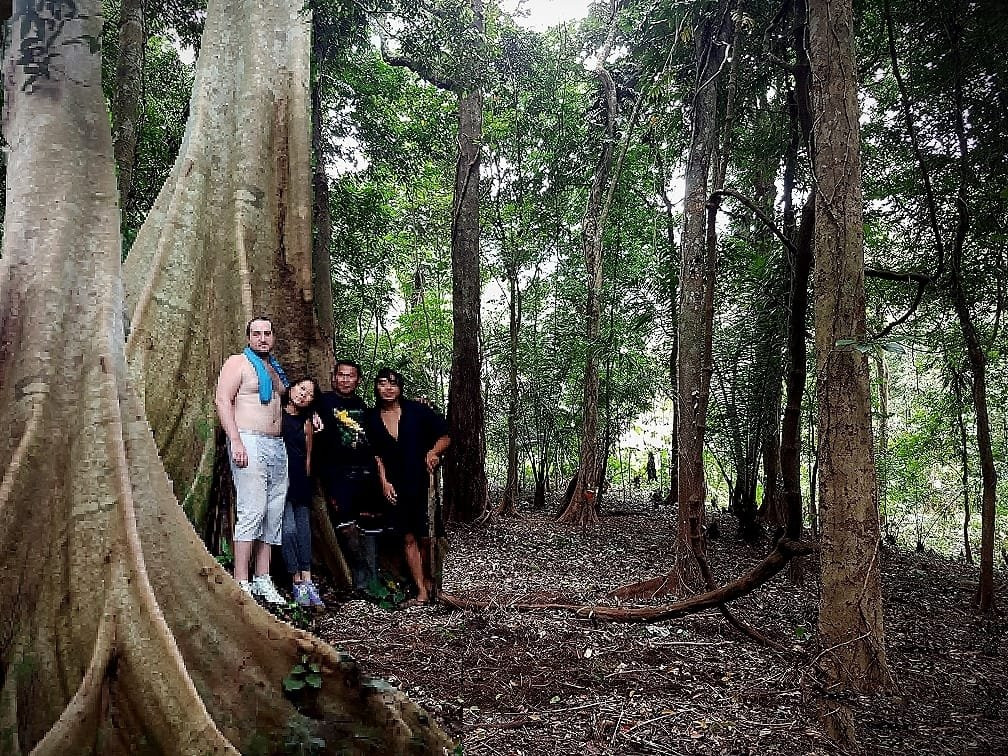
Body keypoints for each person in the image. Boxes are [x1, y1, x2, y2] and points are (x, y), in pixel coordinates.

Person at [214, 316, 288, 605]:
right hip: (250, 441)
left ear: (273, 337)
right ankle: (241, 579)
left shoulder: (275, 368)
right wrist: (235, 440)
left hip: (276, 445)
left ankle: (263, 578)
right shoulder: (238, 363)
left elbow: (286, 401)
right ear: (248, 337)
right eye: (256, 333)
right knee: (252, 511)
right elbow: (222, 400)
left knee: (273, 514)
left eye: (267, 333)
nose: (262, 338)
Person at [366, 368, 450, 606]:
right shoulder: (372, 417)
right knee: (407, 538)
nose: (388, 388)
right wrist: (383, 481)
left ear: (400, 388)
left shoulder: (418, 411)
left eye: (393, 384)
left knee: (426, 536)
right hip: (395, 486)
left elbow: (445, 436)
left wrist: (433, 452)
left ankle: (434, 585)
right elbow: (376, 455)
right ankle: (421, 591)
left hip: (422, 483)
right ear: (376, 387)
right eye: (382, 383)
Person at [314, 359, 381, 592]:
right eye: (341, 375)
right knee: (346, 527)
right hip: (337, 475)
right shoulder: (322, 402)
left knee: (369, 526)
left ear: (358, 380)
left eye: (350, 376)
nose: (345, 380)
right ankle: (358, 578)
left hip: (365, 474)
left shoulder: (362, 406)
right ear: (334, 378)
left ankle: (372, 580)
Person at [279, 377, 324, 608]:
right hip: (278, 481)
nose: (303, 395)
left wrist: (305, 479)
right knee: (288, 530)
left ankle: (307, 579)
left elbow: (307, 455)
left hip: (299, 481)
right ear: (292, 387)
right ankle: (295, 579)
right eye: (301, 388)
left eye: (309, 394)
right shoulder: (276, 413)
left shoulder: (307, 421)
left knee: (304, 531)